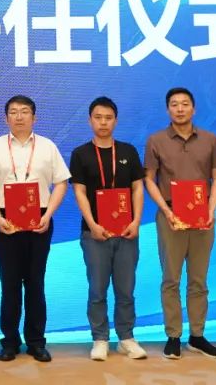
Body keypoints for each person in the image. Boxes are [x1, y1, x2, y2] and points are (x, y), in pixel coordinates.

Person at [0, 95, 70, 363]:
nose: (19, 117)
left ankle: (36, 342)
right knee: (9, 284)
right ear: (6, 117)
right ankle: (9, 342)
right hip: (5, 221)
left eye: (24, 112)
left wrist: (48, 214)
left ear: (34, 117)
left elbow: (61, 182)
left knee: (35, 283)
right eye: (13, 112)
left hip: (39, 221)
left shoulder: (48, 146)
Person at [144, 87, 216, 360]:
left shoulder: (210, 139)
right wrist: (166, 210)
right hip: (171, 216)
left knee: (199, 280)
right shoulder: (156, 140)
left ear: (194, 108)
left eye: (185, 104)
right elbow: (149, 179)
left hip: (203, 216)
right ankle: (173, 336)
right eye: (174, 104)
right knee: (171, 278)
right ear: (168, 109)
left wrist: (211, 209)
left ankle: (197, 336)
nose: (180, 109)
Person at [69, 97, 148, 362]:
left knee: (126, 289)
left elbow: (137, 188)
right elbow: (79, 192)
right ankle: (100, 338)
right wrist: (93, 225)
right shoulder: (80, 154)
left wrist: (136, 222)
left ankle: (126, 338)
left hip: (126, 231)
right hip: (94, 234)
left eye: (108, 118)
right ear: (90, 120)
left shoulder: (128, 151)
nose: (103, 122)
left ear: (115, 120)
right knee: (97, 289)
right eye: (98, 117)